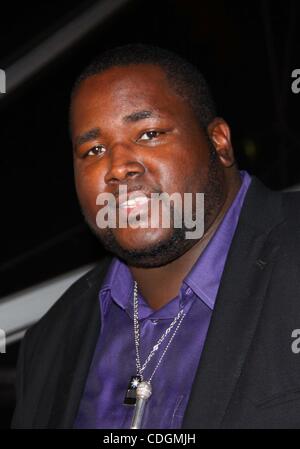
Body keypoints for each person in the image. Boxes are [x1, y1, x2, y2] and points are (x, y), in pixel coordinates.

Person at [11, 44, 300, 429]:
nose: (118, 167)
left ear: (219, 142)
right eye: (94, 149)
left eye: (148, 133)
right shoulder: (49, 345)